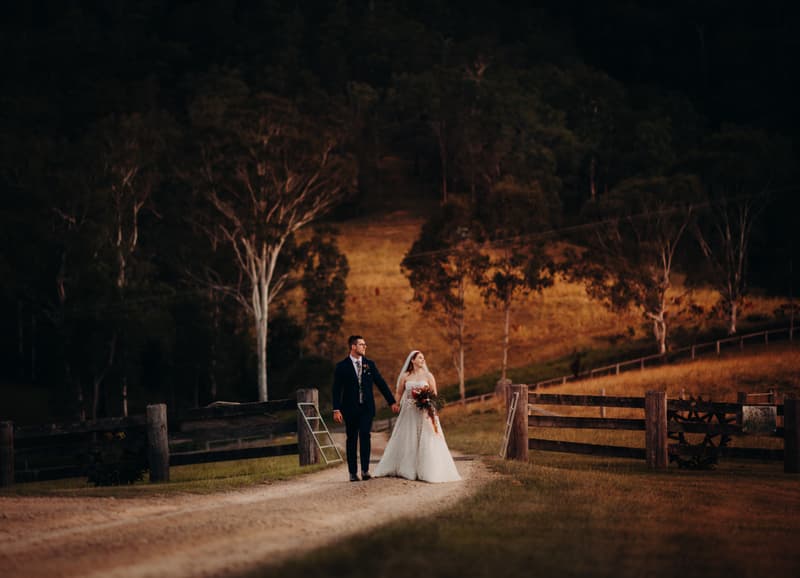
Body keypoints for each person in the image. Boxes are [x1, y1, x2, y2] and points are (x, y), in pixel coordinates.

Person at [373, 350, 461, 483]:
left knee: (426, 437)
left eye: (423, 358)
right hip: (409, 411)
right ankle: (407, 468)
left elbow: (434, 394)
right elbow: (398, 393)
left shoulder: (428, 375)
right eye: (420, 358)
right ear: (412, 360)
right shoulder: (405, 376)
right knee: (408, 437)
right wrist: (395, 404)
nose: (422, 360)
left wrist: (426, 400)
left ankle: (428, 469)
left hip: (425, 411)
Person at [332, 335, 399, 482]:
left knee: (365, 435)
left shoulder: (370, 364)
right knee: (351, 439)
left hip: (367, 408)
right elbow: (336, 389)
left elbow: (380, 383)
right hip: (349, 409)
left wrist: (391, 402)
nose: (365, 347)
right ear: (353, 347)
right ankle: (352, 472)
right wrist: (336, 409)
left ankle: (365, 470)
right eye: (362, 344)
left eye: (365, 344)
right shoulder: (342, 366)